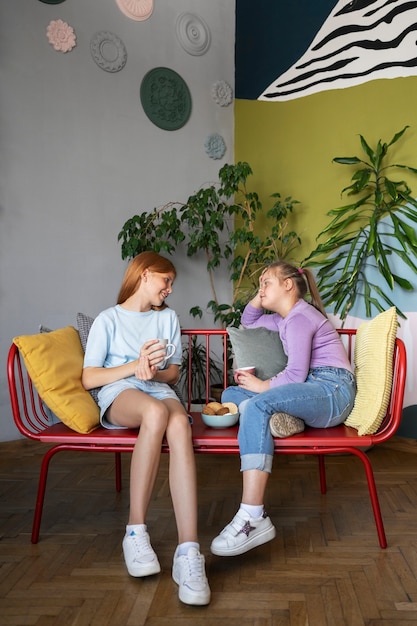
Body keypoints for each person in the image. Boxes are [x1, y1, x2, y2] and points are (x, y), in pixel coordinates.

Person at [81, 251, 211, 606]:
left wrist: (153, 372)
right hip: (120, 392)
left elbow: (173, 372)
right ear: (144, 275)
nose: (169, 289)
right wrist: (133, 366)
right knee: (155, 414)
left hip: (157, 388)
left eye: (172, 283)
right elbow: (90, 377)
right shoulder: (108, 320)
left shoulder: (167, 318)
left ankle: (188, 553)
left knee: (179, 425)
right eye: (166, 280)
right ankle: (135, 531)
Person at [210, 260, 356, 557]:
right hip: (312, 388)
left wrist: (261, 387)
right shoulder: (283, 319)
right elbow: (249, 320)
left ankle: (252, 516)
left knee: (257, 403)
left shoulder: (302, 317)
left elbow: (295, 376)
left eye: (267, 283)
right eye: (260, 284)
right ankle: (282, 417)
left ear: (288, 285)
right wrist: (260, 293)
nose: (260, 289)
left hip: (331, 390)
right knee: (231, 392)